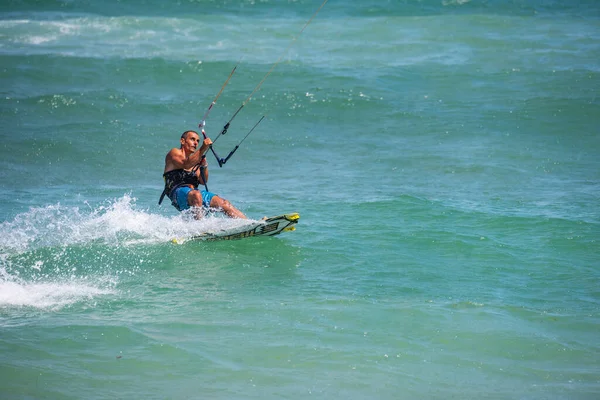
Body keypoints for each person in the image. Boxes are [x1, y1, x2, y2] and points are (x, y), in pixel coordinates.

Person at [160, 130, 247, 219]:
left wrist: (204, 166)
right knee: (196, 195)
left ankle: (248, 224)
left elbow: (203, 180)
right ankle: (200, 228)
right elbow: (185, 164)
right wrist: (203, 148)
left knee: (224, 203)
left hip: (195, 194)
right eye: (192, 139)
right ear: (182, 141)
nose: (195, 143)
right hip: (177, 194)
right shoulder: (174, 152)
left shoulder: (195, 160)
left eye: (198, 141)